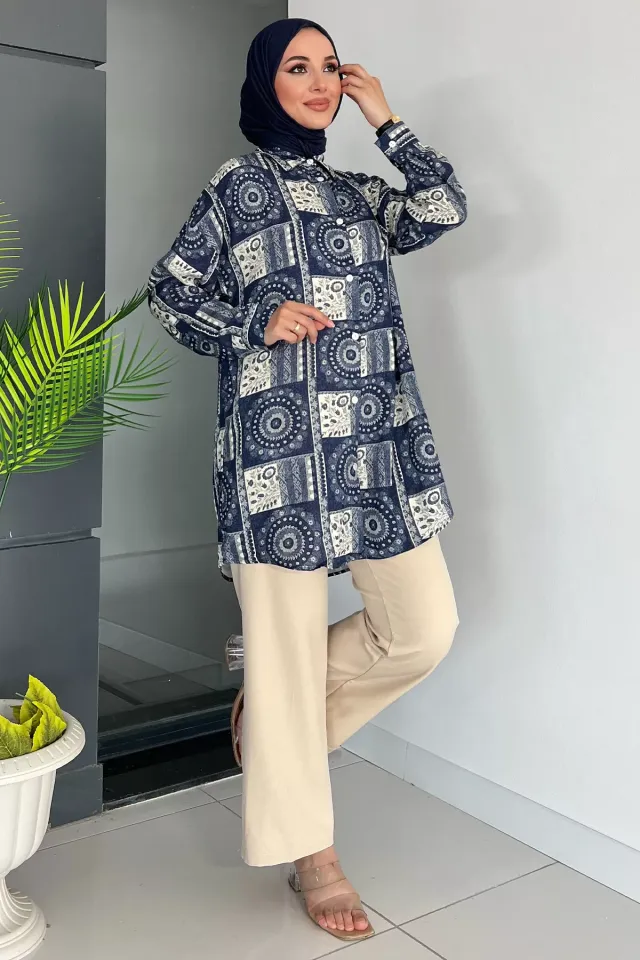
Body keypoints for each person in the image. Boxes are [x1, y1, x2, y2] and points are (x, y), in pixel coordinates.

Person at [148, 17, 467, 944]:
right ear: (266, 83)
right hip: (278, 456)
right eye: (299, 67)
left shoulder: (358, 192)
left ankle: (275, 721)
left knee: (424, 628)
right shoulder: (236, 187)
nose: (322, 82)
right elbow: (171, 291)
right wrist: (253, 320)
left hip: (374, 445)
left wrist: (388, 122)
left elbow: (443, 207)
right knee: (282, 647)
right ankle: (313, 855)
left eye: (331, 67)